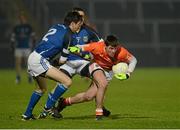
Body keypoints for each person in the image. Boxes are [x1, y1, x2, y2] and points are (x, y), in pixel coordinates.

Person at [55, 35, 137, 120]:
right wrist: (77, 49)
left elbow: (133, 60)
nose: (113, 51)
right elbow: (82, 47)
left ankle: (64, 102)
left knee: (89, 96)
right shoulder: (97, 46)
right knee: (103, 83)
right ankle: (99, 112)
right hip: (96, 66)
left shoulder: (121, 52)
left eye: (115, 48)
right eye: (111, 48)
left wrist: (128, 74)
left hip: (108, 72)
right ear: (105, 46)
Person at [49, 7, 111, 118]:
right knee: (60, 83)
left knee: (100, 79)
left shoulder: (89, 30)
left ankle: (101, 105)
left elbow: (102, 45)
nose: (81, 18)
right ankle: (51, 107)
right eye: (79, 16)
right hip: (68, 62)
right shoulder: (65, 30)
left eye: (83, 16)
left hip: (84, 62)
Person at [21, 11, 83, 121]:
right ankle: (49, 107)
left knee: (41, 89)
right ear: (73, 23)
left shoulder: (57, 26)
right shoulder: (69, 35)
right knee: (67, 81)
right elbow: (63, 60)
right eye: (79, 25)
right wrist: (55, 63)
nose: (79, 28)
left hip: (33, 56)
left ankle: (27, 114)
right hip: (40, 60)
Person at [10, 12, 36, 84]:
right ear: (19, 19)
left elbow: (33, 37)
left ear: (25, 19)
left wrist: (33, 45)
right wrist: (12, 45)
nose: (22, 19)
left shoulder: (29, 27)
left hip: (27, 47)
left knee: (27, 63)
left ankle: (29, 77)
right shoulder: (16, 27)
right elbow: (13, 37)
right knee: (18, 63)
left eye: (23, 18)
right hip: (18, 47)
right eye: (20, 18)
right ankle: (18, 77)